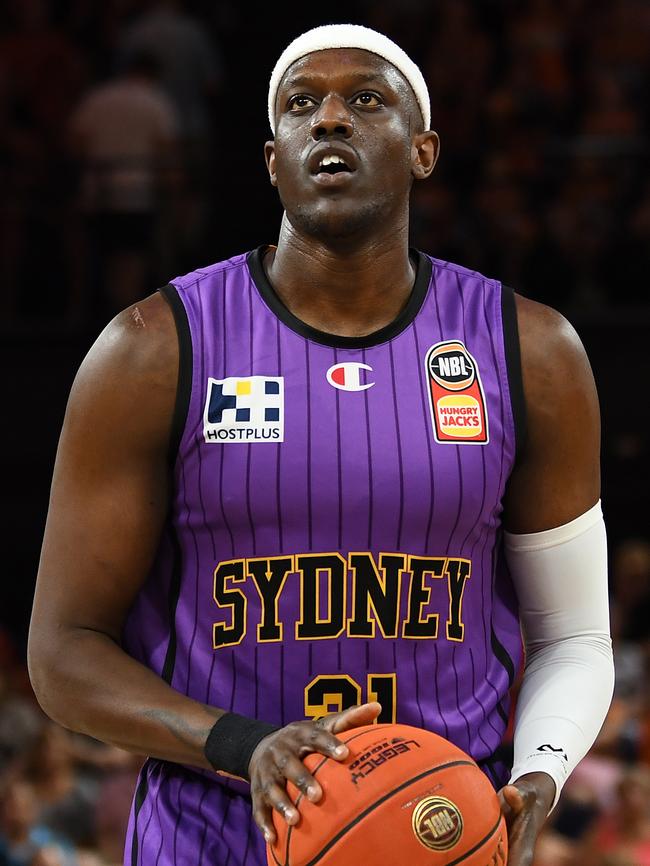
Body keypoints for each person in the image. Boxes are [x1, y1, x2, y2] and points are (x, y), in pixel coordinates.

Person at [28, 23, 614, 866]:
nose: (329, 120)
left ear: (424, 150)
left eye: (365, 101)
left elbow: (575, 638)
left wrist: (543, 771)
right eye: (302, 105)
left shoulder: (531, 350)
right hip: (212, 839)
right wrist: (241, 744)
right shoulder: (153, 346)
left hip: (441, 830)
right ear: (273, 160)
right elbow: (63, 652)